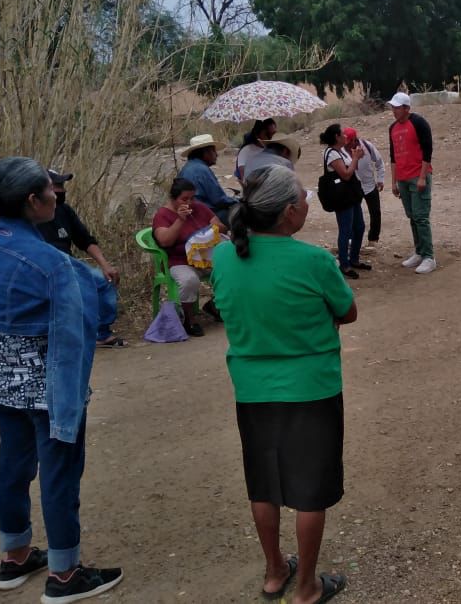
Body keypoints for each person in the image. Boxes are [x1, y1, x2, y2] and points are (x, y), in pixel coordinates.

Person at [0, 157, 123, 602]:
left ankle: (15, 557)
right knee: (60, 474)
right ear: (34, 200)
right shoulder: (53, 265)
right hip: (50, 387)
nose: (57, 196)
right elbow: (100, 313)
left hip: (0, 381)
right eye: (51, 191)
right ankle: (66, 576)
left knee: (13, 464)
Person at [210, 165, 354, 604]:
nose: (308, 205)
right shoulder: (313, 260)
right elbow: (347, 312)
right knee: (310, 491)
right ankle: (307, 587)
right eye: (304, 200)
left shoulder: (222, 256)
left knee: (264, 484)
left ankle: (275, 572)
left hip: (252, 390)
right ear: (290, 213)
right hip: (311, 389)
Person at [37, 169, 124, 348]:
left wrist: (105, 264)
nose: (60, 191)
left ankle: (101, 333)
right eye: (56, 186)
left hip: (69, 265)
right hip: (44, 268)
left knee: (104, 280)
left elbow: (85, 240)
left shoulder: (65, 211)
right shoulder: (34, 214)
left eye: (62, 186)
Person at [152, 177, 226, 337]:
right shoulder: (162, 215)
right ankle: (188, 319)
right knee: (189, 281)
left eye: (192, 198)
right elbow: (165, 241)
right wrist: (180, 220)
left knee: (230, 269)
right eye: (184, 199)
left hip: (205, 257)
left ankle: (215, 305)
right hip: (179, 260)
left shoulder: (199, 208)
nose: (189, 202)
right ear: (173, 198)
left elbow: (221, 226)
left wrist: (210, 231)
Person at [387, 92, 436, 274]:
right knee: (412, 216)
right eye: (392, 107)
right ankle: (419, 251)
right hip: (403, 178)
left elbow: (427, 151)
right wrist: (393, 182)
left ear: (406, 108)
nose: (394, 110)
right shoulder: (392, 128)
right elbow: (393, 157)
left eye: (397, 107)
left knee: (421, 216)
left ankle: (429, 256)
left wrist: (423, 177)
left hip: (418, 176)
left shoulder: (419, 123)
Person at [320, 123, 368, 279]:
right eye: (343, 134)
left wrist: (355, 158)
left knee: (359, 227)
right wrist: (355, 158)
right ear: (337, 137)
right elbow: (346, 174)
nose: (346, 136)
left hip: (350, 195)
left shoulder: (340, 152)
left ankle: (353, 259)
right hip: (342, 197)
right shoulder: (332, 154)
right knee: (346, 230)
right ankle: (345, 264)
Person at [179, 133, 238, 224]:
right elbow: (218, 199)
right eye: (214, 151)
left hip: (190, 213)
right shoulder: (202, 170)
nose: (216, 155)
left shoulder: (187, 167)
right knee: (238, 212)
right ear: (206, 152)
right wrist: (237, 201)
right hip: (201, 215)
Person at [343, 127, 386, 245]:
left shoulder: (367, 146)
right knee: (352, 214)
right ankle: (352, 239)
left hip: (369, 185)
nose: (345, 145)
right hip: (352, 187)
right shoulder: (341, 151)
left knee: (375, 212)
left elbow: (379, 163)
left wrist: (380, 179)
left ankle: (373, 239)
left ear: (354, 140)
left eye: (347, 143)